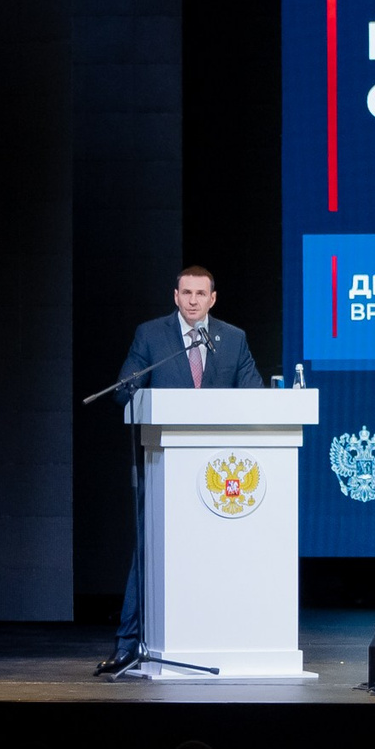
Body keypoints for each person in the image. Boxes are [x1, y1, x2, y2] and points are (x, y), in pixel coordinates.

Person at [99, 266, 266, 673]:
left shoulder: (234, 339)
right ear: (175, 296)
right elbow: (124, 393)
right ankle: (129, 642)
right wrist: (138, 393)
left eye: (200, 293)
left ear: (213, 299)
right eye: (186, 292)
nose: (193, 300)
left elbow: (255, 396)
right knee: (149, 551)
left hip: (216, 471)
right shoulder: (151, 335)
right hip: (162, 467)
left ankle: (220, 635)